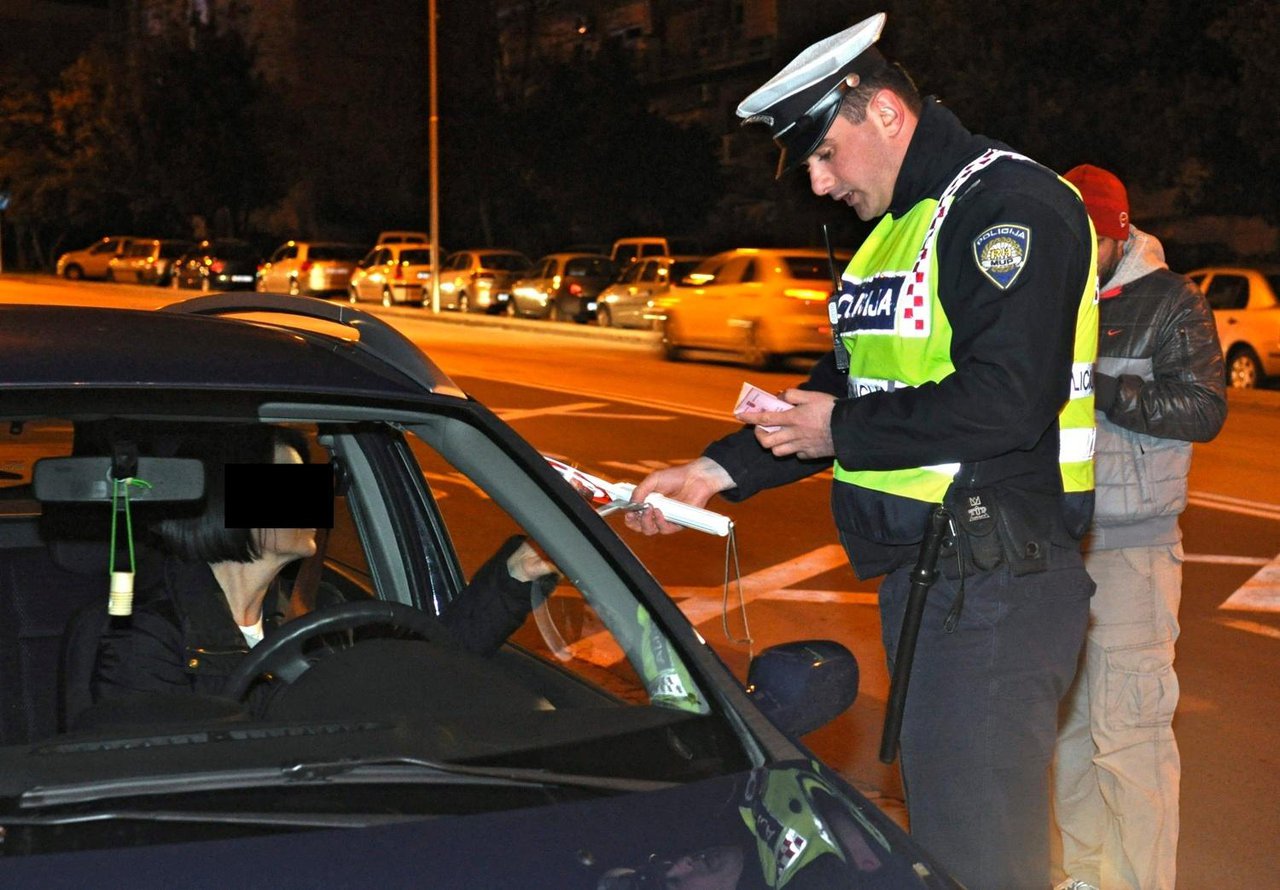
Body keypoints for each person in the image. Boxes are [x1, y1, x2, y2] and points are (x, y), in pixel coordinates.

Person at [625, 12, 1099, 888]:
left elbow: (1007, 397)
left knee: (981, 857)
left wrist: (837, 431)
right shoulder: (894, 233)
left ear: (882, 113)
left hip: (995, 578)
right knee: (952, 840)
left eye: (823, 154)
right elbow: (840, 385)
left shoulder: (1008, 206)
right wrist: (713, 471)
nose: (815, 181)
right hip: (936, 581)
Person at [91, 424, 558, 709]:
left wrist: (516, 573)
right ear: (228, 501)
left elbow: (429, 664)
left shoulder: (321, 616)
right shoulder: (149, 637)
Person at [1051, 166, 1226, 890]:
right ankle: (1082, 879)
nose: (1072, 249)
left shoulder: (1171, 301)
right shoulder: (1052, 298)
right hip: (1057, 549)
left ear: (1117, 233)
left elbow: (1203, 409)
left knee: (1131, 740)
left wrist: (1098, 380)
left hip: (1133, 553)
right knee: (1066, 741)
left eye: (1085, 237)